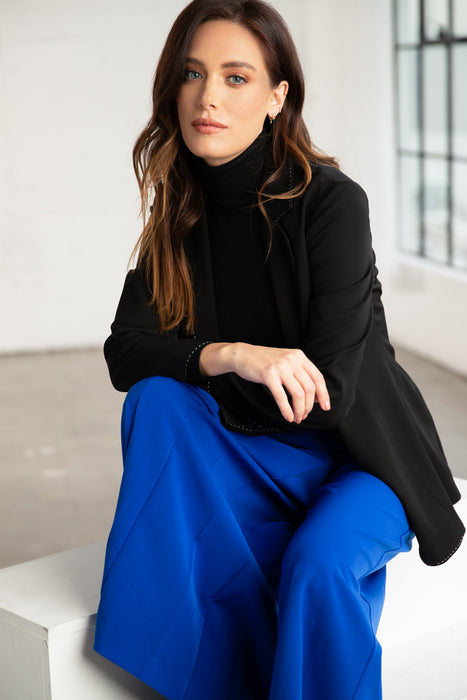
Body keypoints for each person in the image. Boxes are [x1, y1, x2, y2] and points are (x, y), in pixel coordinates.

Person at [94, 1, 464, 698]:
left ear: (275, 97)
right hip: (257, 455)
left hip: (363, 461)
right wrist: (232, 353)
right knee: (158, 401)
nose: (207, 97)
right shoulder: (176, 219)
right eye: (192, 74)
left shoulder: (330, 203)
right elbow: (126, 356)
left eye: (236, 78)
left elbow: (327, 399)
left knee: (316, 567)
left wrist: (213, 373)